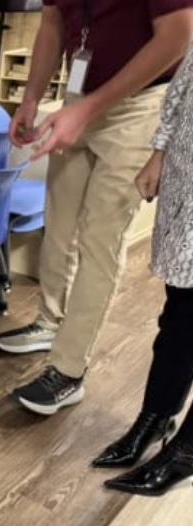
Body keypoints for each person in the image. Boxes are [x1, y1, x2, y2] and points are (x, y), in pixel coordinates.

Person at [0, 0, 193, 415]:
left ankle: (68, 370)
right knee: (59, 224)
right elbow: (52, 22)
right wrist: (31, 98)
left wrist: (87, 108)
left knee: (100, 239)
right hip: (77, 94)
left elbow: (178, 34)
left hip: (139, 104)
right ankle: (50, 321)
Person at [92, 44, 193, 496]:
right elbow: (184, 86)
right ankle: (155, 417)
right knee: (179, 313)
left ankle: (188, 450)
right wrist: (160, 151)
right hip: (187, 176)